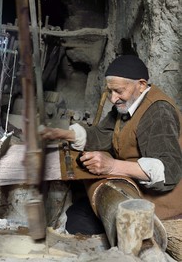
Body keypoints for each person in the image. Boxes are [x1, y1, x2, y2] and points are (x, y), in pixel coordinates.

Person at [39, 55, 182, 234]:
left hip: (162, 201)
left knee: (79, 223)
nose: (113, 99)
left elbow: (168, 172)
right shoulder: (127, 105)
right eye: (110, 91)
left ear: (141, 85)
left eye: (119, 91)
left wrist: (112, 166)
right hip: (132, 187)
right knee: (75, 216)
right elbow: (103, 134)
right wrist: (66, 134)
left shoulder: (158, 112)